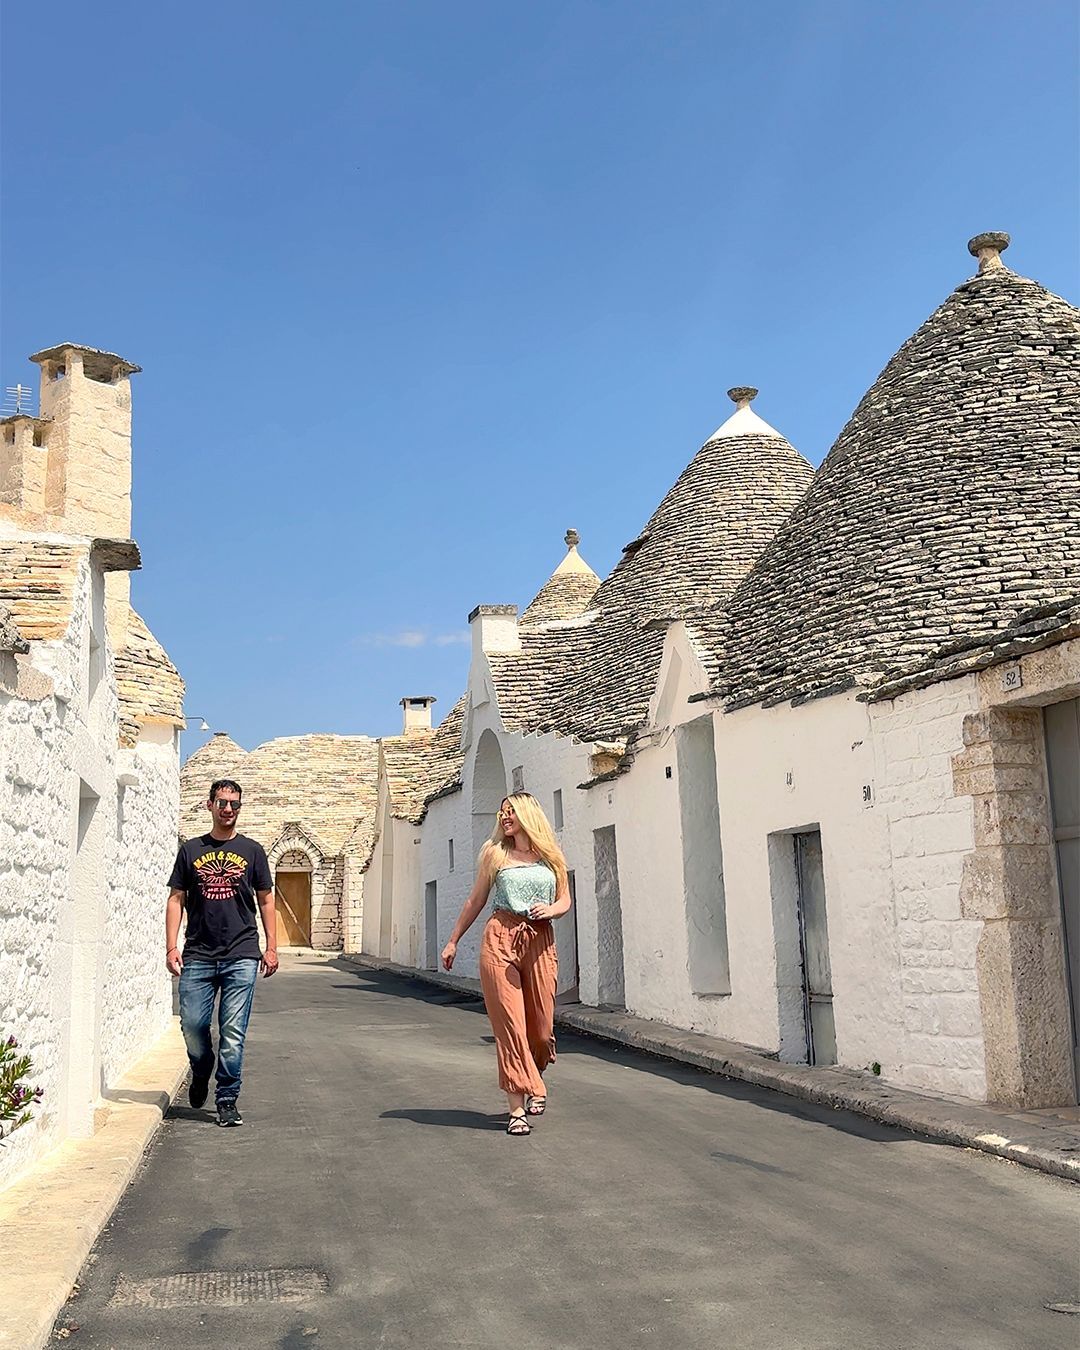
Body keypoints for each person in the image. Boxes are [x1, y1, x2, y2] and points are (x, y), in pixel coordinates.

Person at [441, 792, 572, 1136]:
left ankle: (534, 1075)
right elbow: (475, 899)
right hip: (501, 936)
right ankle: (517, 1109)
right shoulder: (494, 854)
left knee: (541, 1030)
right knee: (510, 1026)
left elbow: (565, 900)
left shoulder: (551, 856)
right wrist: (453, 939)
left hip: (540, 939)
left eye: (511, 812)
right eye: (502, 813)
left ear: (528, 814)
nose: (505, 817)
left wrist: (552, 910)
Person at [166, 778, 278, 1127]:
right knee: (194, 1027)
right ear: (210, 805)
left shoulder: (253, 851)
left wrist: (271, 947)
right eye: (223, 802)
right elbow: (176, 899)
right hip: (198, 953)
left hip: (242, 953)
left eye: (235, 804)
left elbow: (266, 899)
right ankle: (201, 1070)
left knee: (233, 1032)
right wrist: (171, 945)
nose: (228, 809)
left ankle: (227, 1098)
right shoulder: (191, 850)